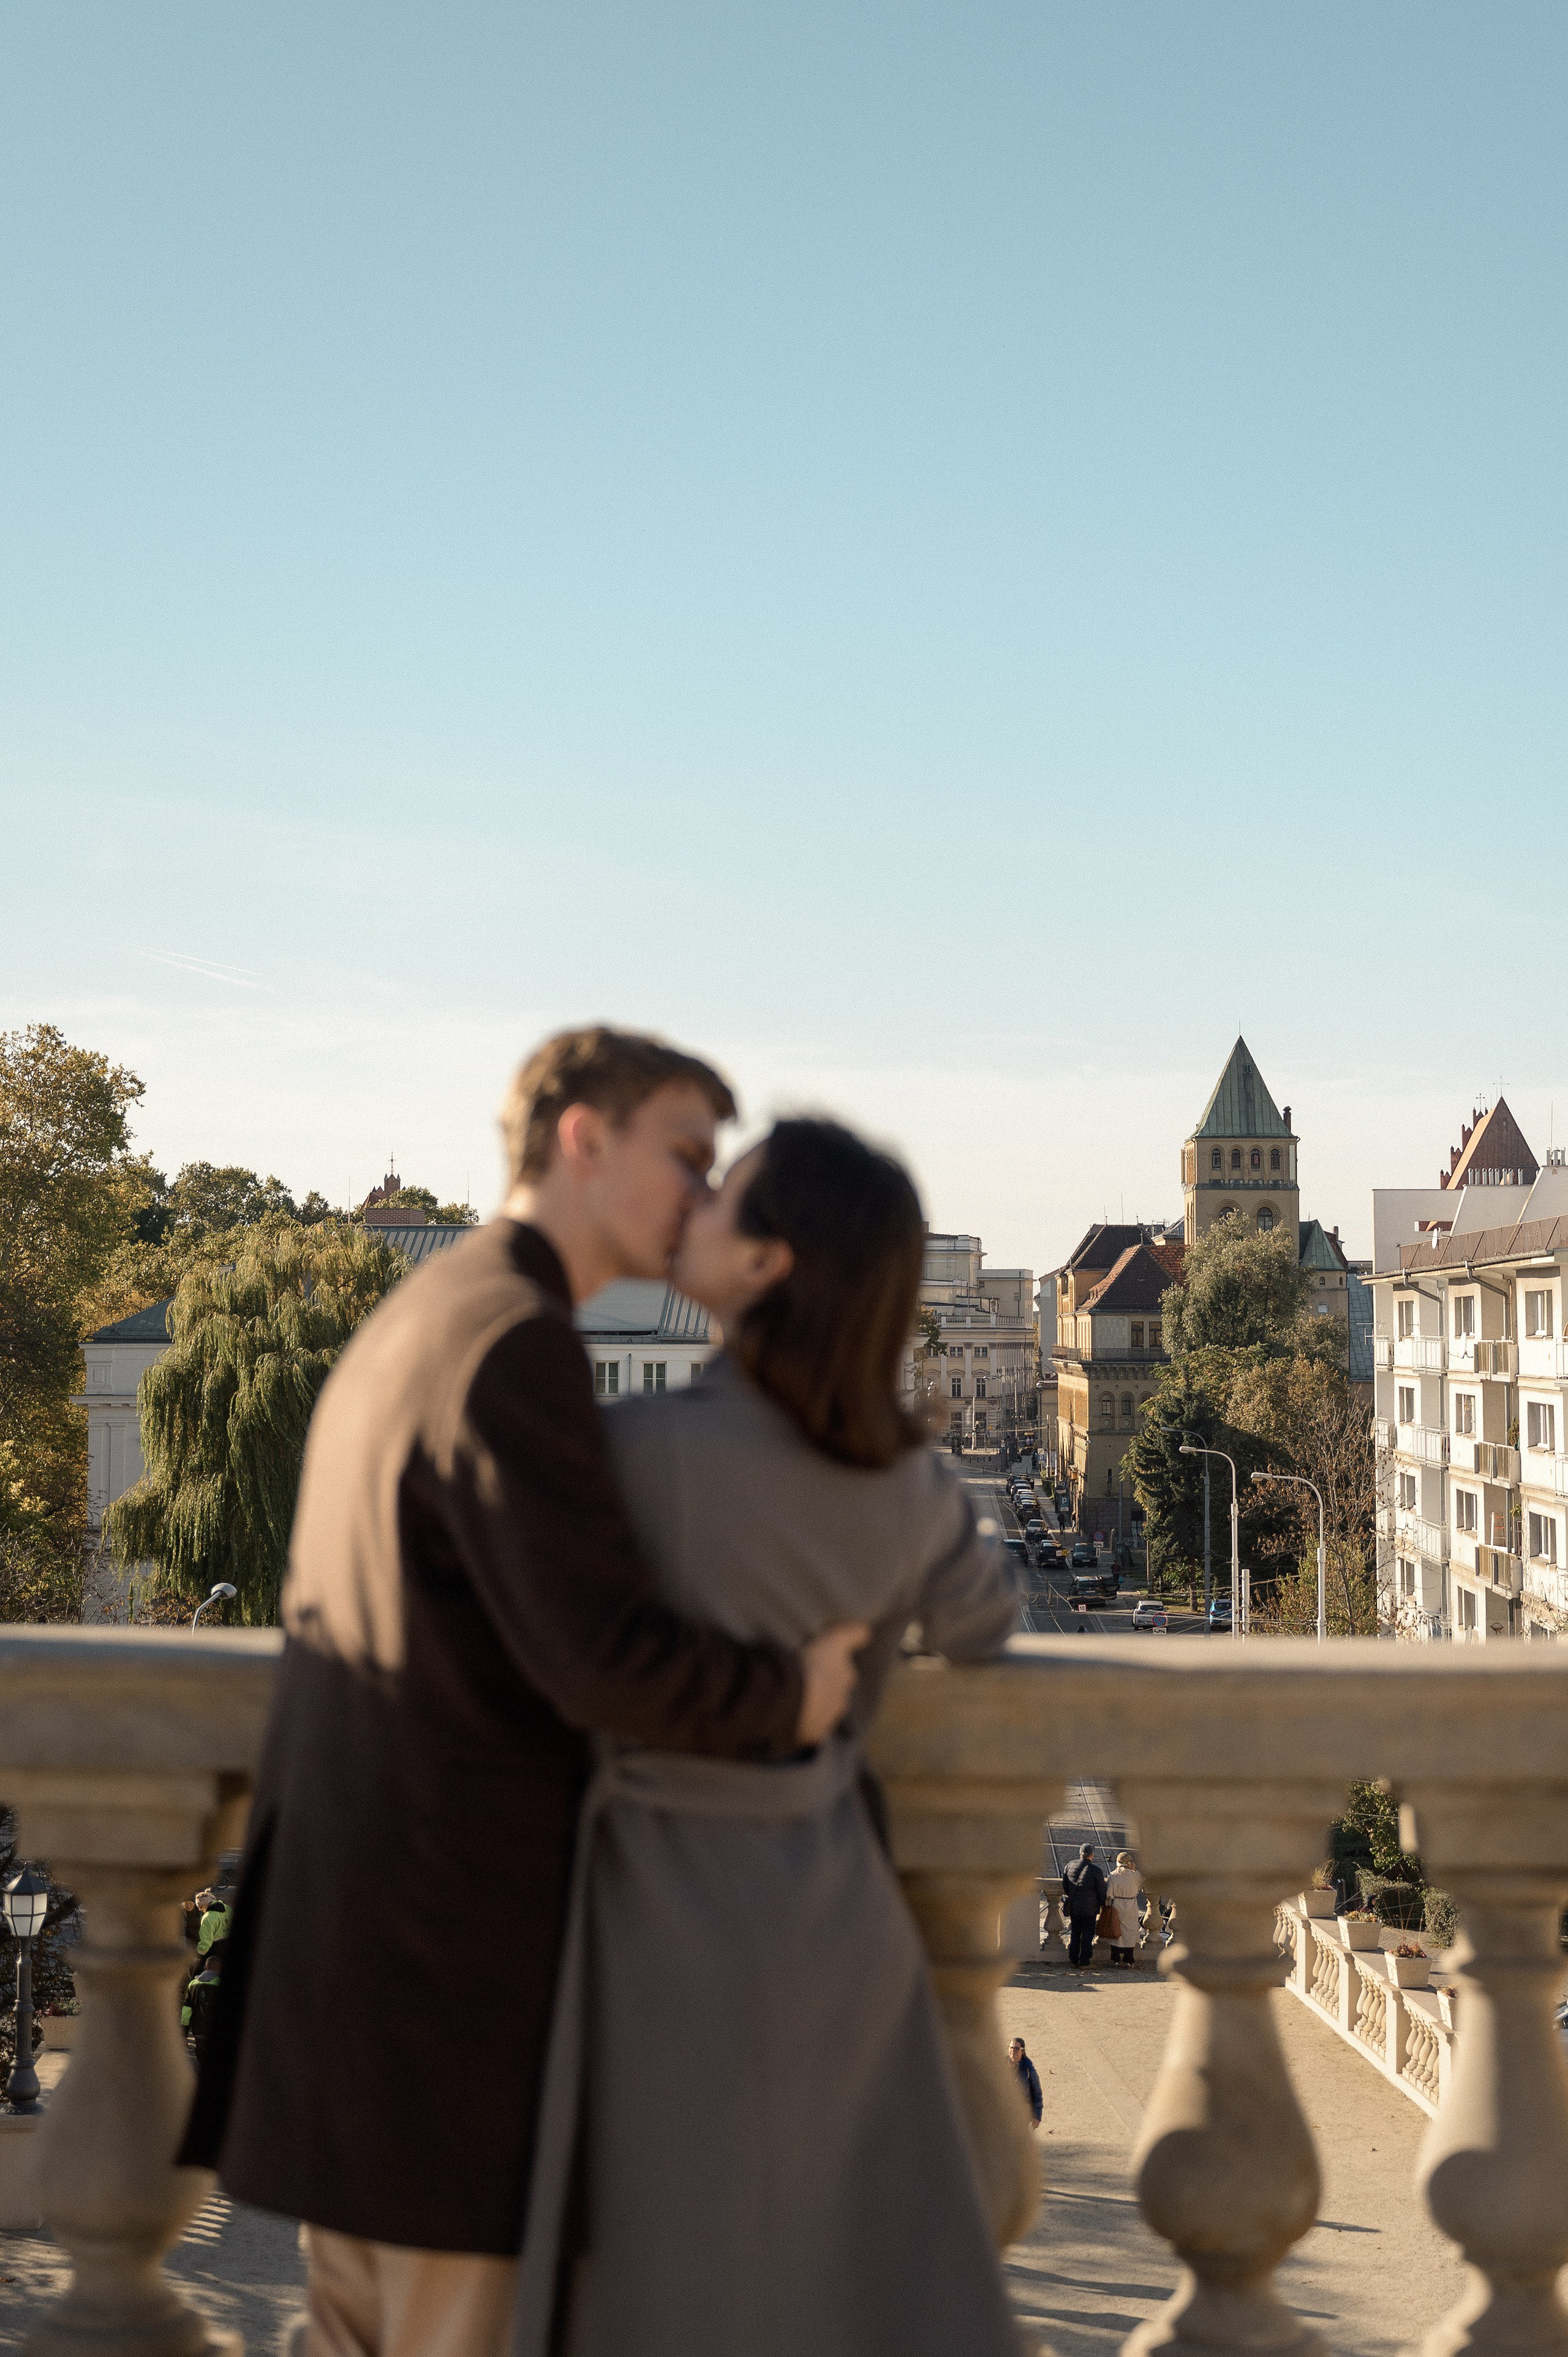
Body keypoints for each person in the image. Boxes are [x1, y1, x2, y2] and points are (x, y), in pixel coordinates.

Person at [181, 1029, 869, 2357]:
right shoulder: (514, 1340)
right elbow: (599, 1654)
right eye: (683, 1153)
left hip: (347, 1966)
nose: (699, 1189)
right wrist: (792, 1688)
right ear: (581, 1140)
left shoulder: (419, 1317)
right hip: (445, 1996)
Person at [513, 1117, 1022, 2357]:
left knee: (654, 2286)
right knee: (837, 2286)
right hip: (835, 1914)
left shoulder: (629, 1451)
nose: (691, 1211)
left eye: (722, 1198)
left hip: (647, 1915)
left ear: (768, 1264)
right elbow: (982, 1622)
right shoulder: (904, 1482)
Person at [183, 1939, 227, 2067]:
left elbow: (186, 2010)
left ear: (204, 1968)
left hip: (198, 2030)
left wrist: (184, 2033)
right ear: (220, 1969)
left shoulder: (193, 1984)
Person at [1062, 1842, 1107, 1970]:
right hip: (1090, 1908)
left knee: (1075, 1933)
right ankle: (1085, 1962)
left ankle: (1073, 1960)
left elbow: (1065, 1886)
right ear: (1091, 1855)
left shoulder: (1069, 1865)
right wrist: (1103, 1903)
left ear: (1080, 1853)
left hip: (1074, 1906)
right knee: (1088, 1935)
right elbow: (1101, 1891)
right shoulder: (1096, 1871)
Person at [1104, 1850, 1144, 1969]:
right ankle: (1129, 1960)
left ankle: (1116, 1960)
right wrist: (1134, 1870)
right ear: (1129, 1863)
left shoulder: (1113, 1875)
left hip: (1117, 1905)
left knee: (1116, 1932)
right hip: (1131, 1905)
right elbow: (1141, 1884)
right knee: (1130, 1933)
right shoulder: (1135, 1875)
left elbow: (1109, 1894)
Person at [1009, 2037, 1042, 2128]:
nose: (1013, 2050)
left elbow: (1037, 2094)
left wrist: (1037, 2117)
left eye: (1017, 2048)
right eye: (1011, 2048)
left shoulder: (1029, 2069)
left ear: (1022, 2051)